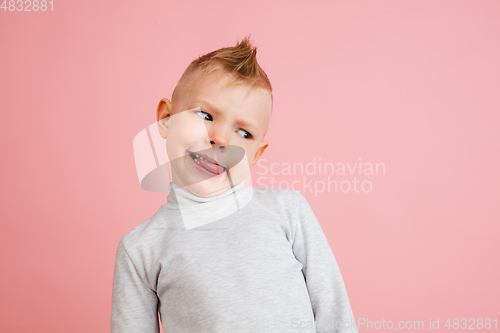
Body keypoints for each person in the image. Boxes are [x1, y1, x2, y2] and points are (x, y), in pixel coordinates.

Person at [111, 36, 358, 333]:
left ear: (256, 155)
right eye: (206, 116)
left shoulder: (288, 210)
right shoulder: (140, 248)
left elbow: (334, 312)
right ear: (166, 118)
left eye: (243, 133)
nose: (221, 139)